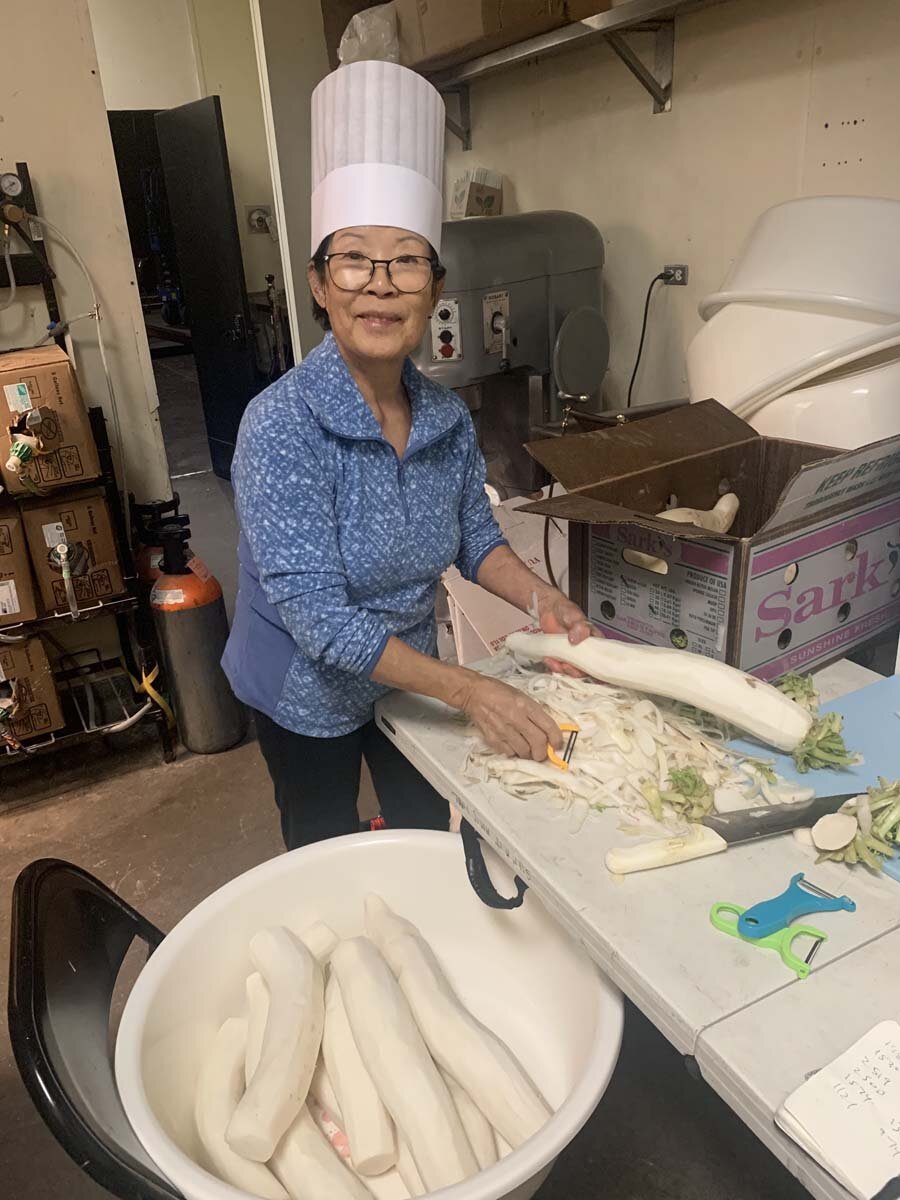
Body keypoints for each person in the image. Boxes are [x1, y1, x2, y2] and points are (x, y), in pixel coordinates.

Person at [223, 61, 594, 850]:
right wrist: (471, 691)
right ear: (320, 284)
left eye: (408, 260)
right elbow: (323, 625)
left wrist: (542, 600)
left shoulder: (445, 419)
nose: (381, 286)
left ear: (434, 287)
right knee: (327, 849)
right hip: (305, 690)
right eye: (354, 259)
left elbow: (476, 540)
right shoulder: (281, 426)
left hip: (411, 677)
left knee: (426, 836)